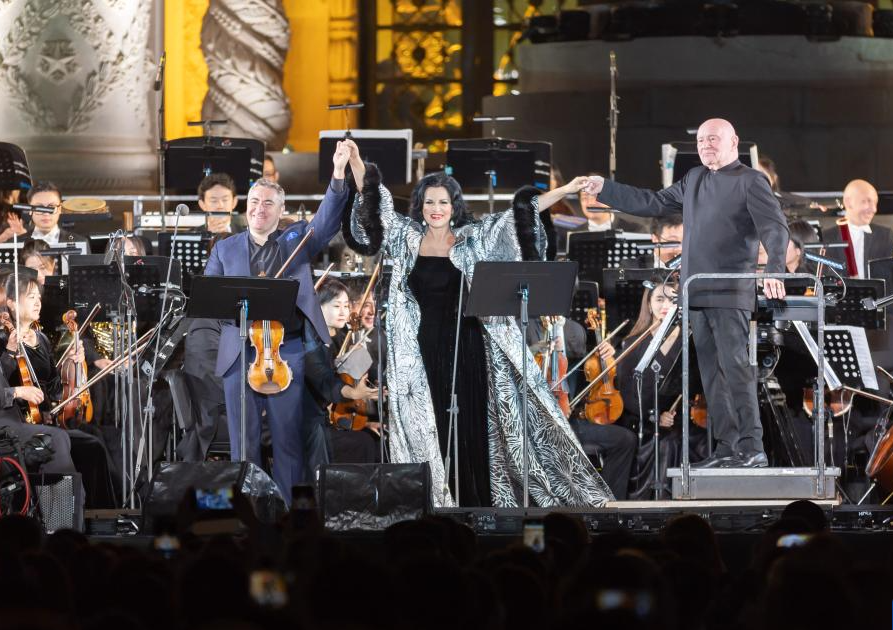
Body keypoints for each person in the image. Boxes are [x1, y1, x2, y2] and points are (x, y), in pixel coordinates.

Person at [344, 139, 611, 507]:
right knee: (429, 425)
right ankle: (438, 502)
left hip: (468, 346)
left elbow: (519, 215)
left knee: (471, 423)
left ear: (454, 206)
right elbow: (377, 201)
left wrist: (564, 190)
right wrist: (356, 161)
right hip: (420, 351)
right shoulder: (406, 237)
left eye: (443, 202)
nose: (436, 209)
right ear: (421, 206)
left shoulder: (474, 238)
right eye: (429, 202)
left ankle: (476, 504)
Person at [585, 118, 789, 469]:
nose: (706, 145)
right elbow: (651, 202)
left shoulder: (751, 180)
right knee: (711, 375)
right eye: (701, 140)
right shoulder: (694, 178)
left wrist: (774, 268)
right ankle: (727, 447)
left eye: (714, 139)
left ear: (734, 142)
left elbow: (774, 227)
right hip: (697, 292)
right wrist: (605, 189)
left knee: (736, 369)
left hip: (730, 291)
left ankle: (752, 446)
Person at [204, 142, 351, 498]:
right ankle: (248, 511)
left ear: (281, 210)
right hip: (240, 353)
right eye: (254, 201)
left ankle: (287, 511)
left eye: (269, 203)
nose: (260, 208)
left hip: (287, 353)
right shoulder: (225, 248)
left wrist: (337, 174)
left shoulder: (295, 239)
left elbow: (326, 221)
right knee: (243, 444)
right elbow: (210, 298)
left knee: (288, 442)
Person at [0, 273, 115, 506]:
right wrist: (9, 352)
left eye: (38, 297)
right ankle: (61, 514)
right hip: (17, 423)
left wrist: (72, 364)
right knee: (70, 444)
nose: (38, 302)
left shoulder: (42, 339)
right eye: (30, 297)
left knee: (93, 445)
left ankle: (96, 515)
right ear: (12, 303)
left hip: (45, 421)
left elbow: (56, 389)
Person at [0, 277, 74, 475]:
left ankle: (67, 494)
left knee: (66, 438)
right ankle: (58, 495)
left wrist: (10, 352)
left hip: (1, 419)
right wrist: (18, 392)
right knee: (55, 439)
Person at [616, 274, 709, 497]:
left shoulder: (689, 339)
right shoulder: (632, 343)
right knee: (669, 443)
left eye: (672, 299)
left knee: (703, 440)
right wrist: (655, 417)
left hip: (682, 419)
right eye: (659, 299)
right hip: (645, 421)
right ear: (649, 304)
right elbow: (628, 396)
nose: (666, 305)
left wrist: (679, 412)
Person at [525, 316, 637, 501]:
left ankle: (607, 504)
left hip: (571, 419)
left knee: (626, 439)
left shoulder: (575, 329)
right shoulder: (526, 325)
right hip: (537, 421)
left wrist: (608, 354)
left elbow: (587, 363)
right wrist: (537, 349)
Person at [302, 278, 378, 476]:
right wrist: (353, 392)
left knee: (369, 440)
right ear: (318, 307)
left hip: (321, 423)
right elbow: (324, 379)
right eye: (337, 306)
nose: (344, 312)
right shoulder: (309, 342)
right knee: (365, 444)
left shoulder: (328, 340)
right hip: (305, 427)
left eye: (346, 305)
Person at [821, 179, 893, 279]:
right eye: (866, 201)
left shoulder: (886, 236)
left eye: (875, 202)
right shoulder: (826, 237)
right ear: (848, 202)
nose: (874, 209)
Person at [25, 182, 89, 248]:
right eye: (39, 207)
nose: (46, 213)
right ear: (30, 210)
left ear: (59, 209)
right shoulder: (18, 241)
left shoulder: (80, 243)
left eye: (51, 207)